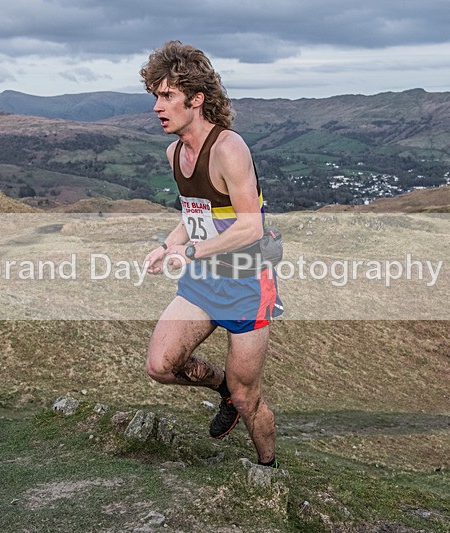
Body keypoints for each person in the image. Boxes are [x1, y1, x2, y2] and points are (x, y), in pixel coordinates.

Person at [140, 41, 283, 468]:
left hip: (246, 282)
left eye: (167, 95)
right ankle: (220, 389)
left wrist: (190, 250)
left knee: (247, 396)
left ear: (197, 98)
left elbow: (250, 226)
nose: (157, 107)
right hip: (203, 280)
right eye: (156, 96)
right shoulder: (174, 152)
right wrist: (166, 246)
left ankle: (267, 470)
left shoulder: (228, 148)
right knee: (161, 365)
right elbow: (195, 214)